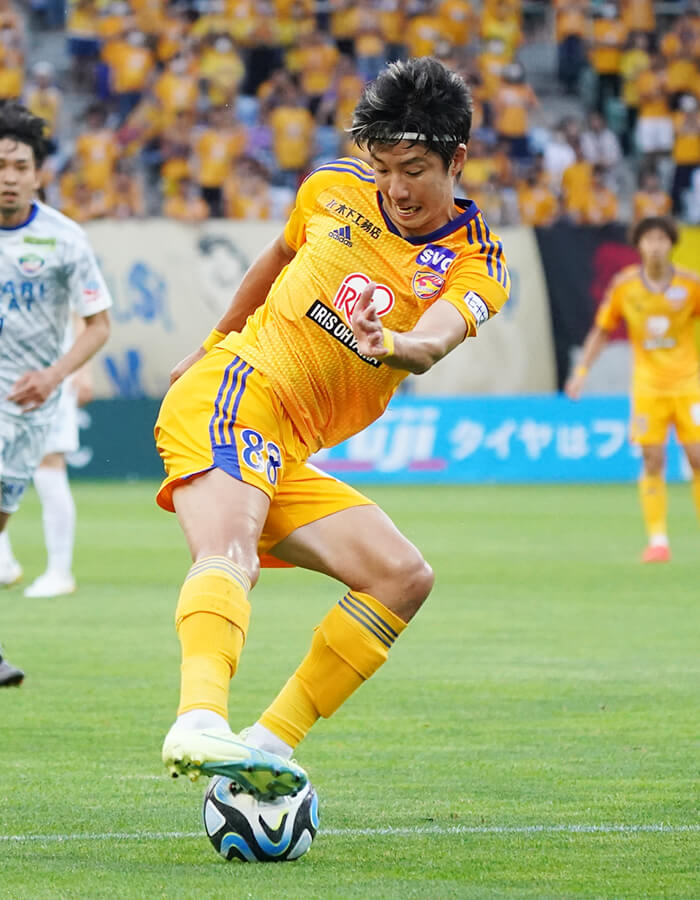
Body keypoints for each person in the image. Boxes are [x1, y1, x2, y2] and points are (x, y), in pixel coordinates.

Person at [154, 57, 511, 800]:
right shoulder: (331, 188)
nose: (395, 188)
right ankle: (199, 718)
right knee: (229, 550)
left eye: (414, 169)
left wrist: (397, 344)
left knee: (401, 577)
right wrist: (212, 341)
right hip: (234, 390)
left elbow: (437, 337)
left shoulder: (477, 261)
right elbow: (280, 254)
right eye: (382, 167)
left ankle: (265, 746)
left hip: (285, 447)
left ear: (457, 160)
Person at [0, 102, 111, 596]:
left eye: (20, 166)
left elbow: (98, 324)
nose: (9, 177)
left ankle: (57, 570)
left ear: (38, 174)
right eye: (0, 165)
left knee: (31, 483)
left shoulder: (64, 239)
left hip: (33, 395)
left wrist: (56, 375)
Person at [565, 216, 700, 563]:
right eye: (648, 239)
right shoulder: (625, 286)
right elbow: (602, 330)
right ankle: (658, 540)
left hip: (689, 384)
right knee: (652, 459)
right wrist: (581, 372)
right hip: (648, 387)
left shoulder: (691, 284)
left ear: (672, 244)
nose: (655, 246)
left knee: (697, 456)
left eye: (661, 239)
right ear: (639, 245)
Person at [0, 319, 93, 597]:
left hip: (49, 373)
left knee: (48, 463)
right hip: (8, 371)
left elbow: (84, 314)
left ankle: (60, 571)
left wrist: (83, 371)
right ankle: (4, 563)